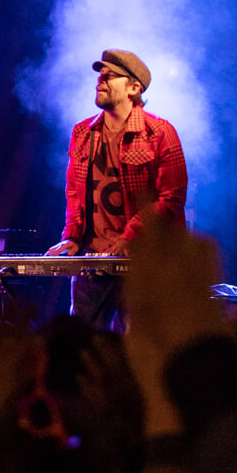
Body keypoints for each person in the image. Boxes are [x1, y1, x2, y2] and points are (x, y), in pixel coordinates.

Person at [45, 48, 187, 329]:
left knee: (142, 353)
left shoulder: (159, 132)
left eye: (111, 76)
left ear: (134, 87)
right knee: (84, 351)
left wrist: (129, 237)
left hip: (143, 263)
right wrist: (73, 237)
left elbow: (171, 198)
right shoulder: (83, 132)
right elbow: (74, 192)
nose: (101, 80)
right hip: (94, 261)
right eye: (100, 75)